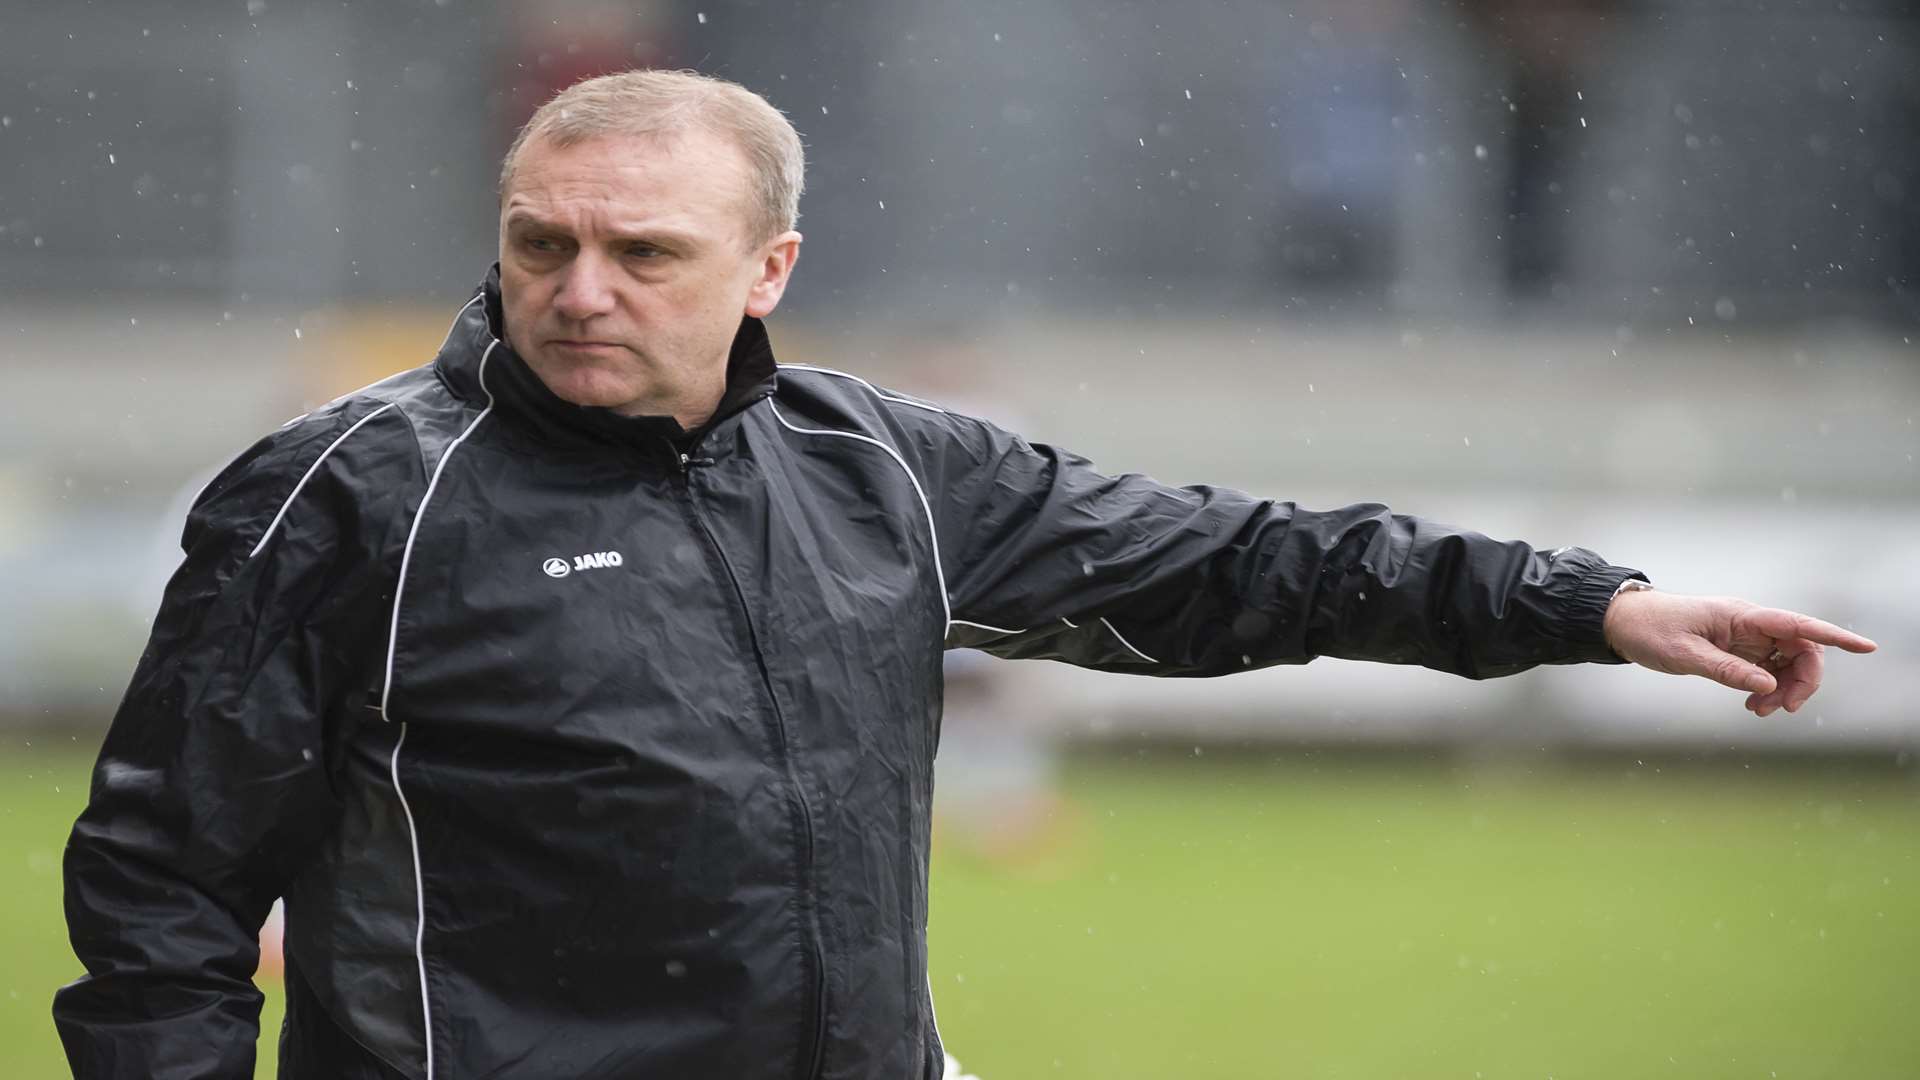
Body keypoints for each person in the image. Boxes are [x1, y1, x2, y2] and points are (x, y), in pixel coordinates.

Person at [52, 69, 1877, 1080]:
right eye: (543, 243)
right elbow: (160, 890)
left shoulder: (887, 469)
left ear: (766, 269)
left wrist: (1587, 604)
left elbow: (1239, 564)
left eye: (643, 251)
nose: (582, 289)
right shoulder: (345, 496)